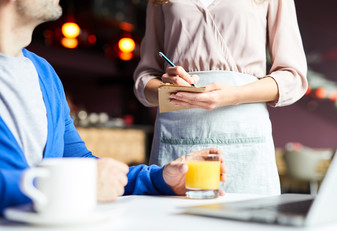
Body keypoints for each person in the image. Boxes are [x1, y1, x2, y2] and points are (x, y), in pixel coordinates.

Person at [0, 0, 226, 215]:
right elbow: (82, 180)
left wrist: (161, 178)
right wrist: (76, 186)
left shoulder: (44, 73)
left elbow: (80, 163)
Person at [133, 0, 308, 195]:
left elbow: (292, 77)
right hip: (177, 137)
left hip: (245, 137)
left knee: (251, 221)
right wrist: (169, 89)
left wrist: (234, 94)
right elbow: (145, 78)